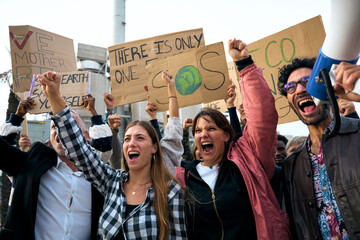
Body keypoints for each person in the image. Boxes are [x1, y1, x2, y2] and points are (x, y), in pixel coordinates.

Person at [38, 70, 187, 239]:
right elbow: (79, 150)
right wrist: (54, 96)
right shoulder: (111, 182)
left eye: (140, 138)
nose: (132, 143)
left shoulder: (170, 190)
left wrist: (171, 90)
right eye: (127, 138)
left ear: (154, 147)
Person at [175, 38, 290, 239]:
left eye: (211, 128)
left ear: (227, 135)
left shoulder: (247, 163)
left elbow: (262, 119)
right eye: (198, 130)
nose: (204, 134)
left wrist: (244, 65)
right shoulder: (185, 175)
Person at [277, 57, 360, 239]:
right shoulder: (291, 165)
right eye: (290, 87)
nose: (299, 89)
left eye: (307, 81)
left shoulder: (357, 132)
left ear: (327, 89)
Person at [0, 98, 105, 240]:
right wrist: (17, 117)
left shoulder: (100, 177)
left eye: (70, 125)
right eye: (54, 127)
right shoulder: (34, 162)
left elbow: (106, 147)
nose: (61, 131)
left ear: (85, 136)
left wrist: (94, 112)